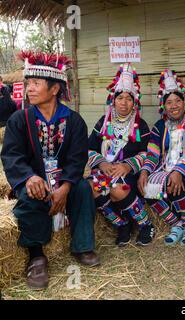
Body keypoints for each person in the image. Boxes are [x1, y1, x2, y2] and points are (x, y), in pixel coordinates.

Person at [0, 51, 100, 290]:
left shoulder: (74, 121)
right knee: (30, 196)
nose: (29, 89)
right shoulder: (19, 120)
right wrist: (29, 177)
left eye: (36, 83)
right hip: (35, 181)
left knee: (83, 189)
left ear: (54, 89)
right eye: (28, 84)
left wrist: (65, 187)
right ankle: (36, 256)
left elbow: (77, 159)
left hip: (65, 179)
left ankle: (83, 246)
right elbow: (12, 155)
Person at [138, 69, 185, 246]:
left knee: (174, 184)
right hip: (165, 168)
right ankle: (176, 223)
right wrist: (145, 171)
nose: (174, 105)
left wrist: (179, 171)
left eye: (177, 100)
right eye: (169, 102)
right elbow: (153, 152)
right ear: (164, 106)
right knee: (145, 188)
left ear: (184, 102)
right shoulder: (159, 126)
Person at [87, 63, 155, 247]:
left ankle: (145, 224)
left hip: (127, 173)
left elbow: (146, 153)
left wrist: (127, 166)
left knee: (117, 188)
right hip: (105, 171)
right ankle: (122, 225)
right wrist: (101, 163)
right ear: (113, 100)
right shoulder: (103, 122)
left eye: (128, 99)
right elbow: (89, 148)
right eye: (120, 98)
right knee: (92, 188)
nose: (124, 102)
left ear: (135, 102)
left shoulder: (140, 125)